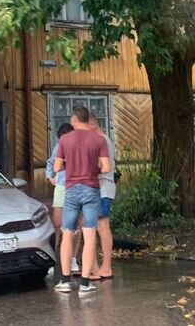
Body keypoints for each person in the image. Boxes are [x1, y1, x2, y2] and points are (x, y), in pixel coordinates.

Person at [53, 106, 110, 295]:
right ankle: (85, 283)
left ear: (75, 120)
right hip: (91, 189)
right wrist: (94, 168)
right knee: (89, 233)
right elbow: (106, 167)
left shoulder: (64, 140)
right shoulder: (99, 139)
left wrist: (70, 167)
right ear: (88, 120)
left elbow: (56, 167)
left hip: (71, 190)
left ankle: (65, 280)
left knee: (67, 232)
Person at [45, 122, 80, 275]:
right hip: (61, 186)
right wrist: (49, 176)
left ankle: (73, 259)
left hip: (77, 187)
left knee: (76, 225)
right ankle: (51, 260)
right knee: (57, 223)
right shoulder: (58, 147)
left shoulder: (80, 147)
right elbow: (51, 163)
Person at [89, 115, 116, 280]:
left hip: (102, 187)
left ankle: (105, 267)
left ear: (92, 124)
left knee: (101, 225)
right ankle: (94, 267)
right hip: (97, 187)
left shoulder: (101, 140)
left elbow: (102, 166)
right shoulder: (99, 139)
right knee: (91, 225)